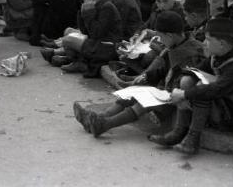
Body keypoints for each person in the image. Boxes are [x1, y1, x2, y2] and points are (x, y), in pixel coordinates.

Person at [73, 10, 204, 138]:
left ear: (170, 35)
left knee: (143, 101)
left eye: (161, 37)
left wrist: (158, 90)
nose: (161, 41)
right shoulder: (177, 44)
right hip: (166, 90)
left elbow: (185, 80)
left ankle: (104, 124)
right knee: (133, 93)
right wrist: (146, 77)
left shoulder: (191, 52)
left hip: (179, 99)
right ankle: (99, 117)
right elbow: (164, 70)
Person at [149, 17, 233, 154]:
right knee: (187, 80)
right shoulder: (216, 56)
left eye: (208, 40)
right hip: (219, 106)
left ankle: (192, 140)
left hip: (231, 116)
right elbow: (194, 71)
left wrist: (184, 95)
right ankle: (179, 131)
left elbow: (215, 90)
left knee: (203, 91)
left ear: (221, 44)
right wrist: (180, 91)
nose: (204, 43)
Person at [56, 0, 123, 75]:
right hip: (97, 42)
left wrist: (88, 13)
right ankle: (78, 61)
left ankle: (79, 61)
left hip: (108, 47)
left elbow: (96, 33)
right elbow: (85, 31)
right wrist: (82, 11)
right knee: (68, 31)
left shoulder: (107, 7)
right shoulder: (95, 5)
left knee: (67, 40)